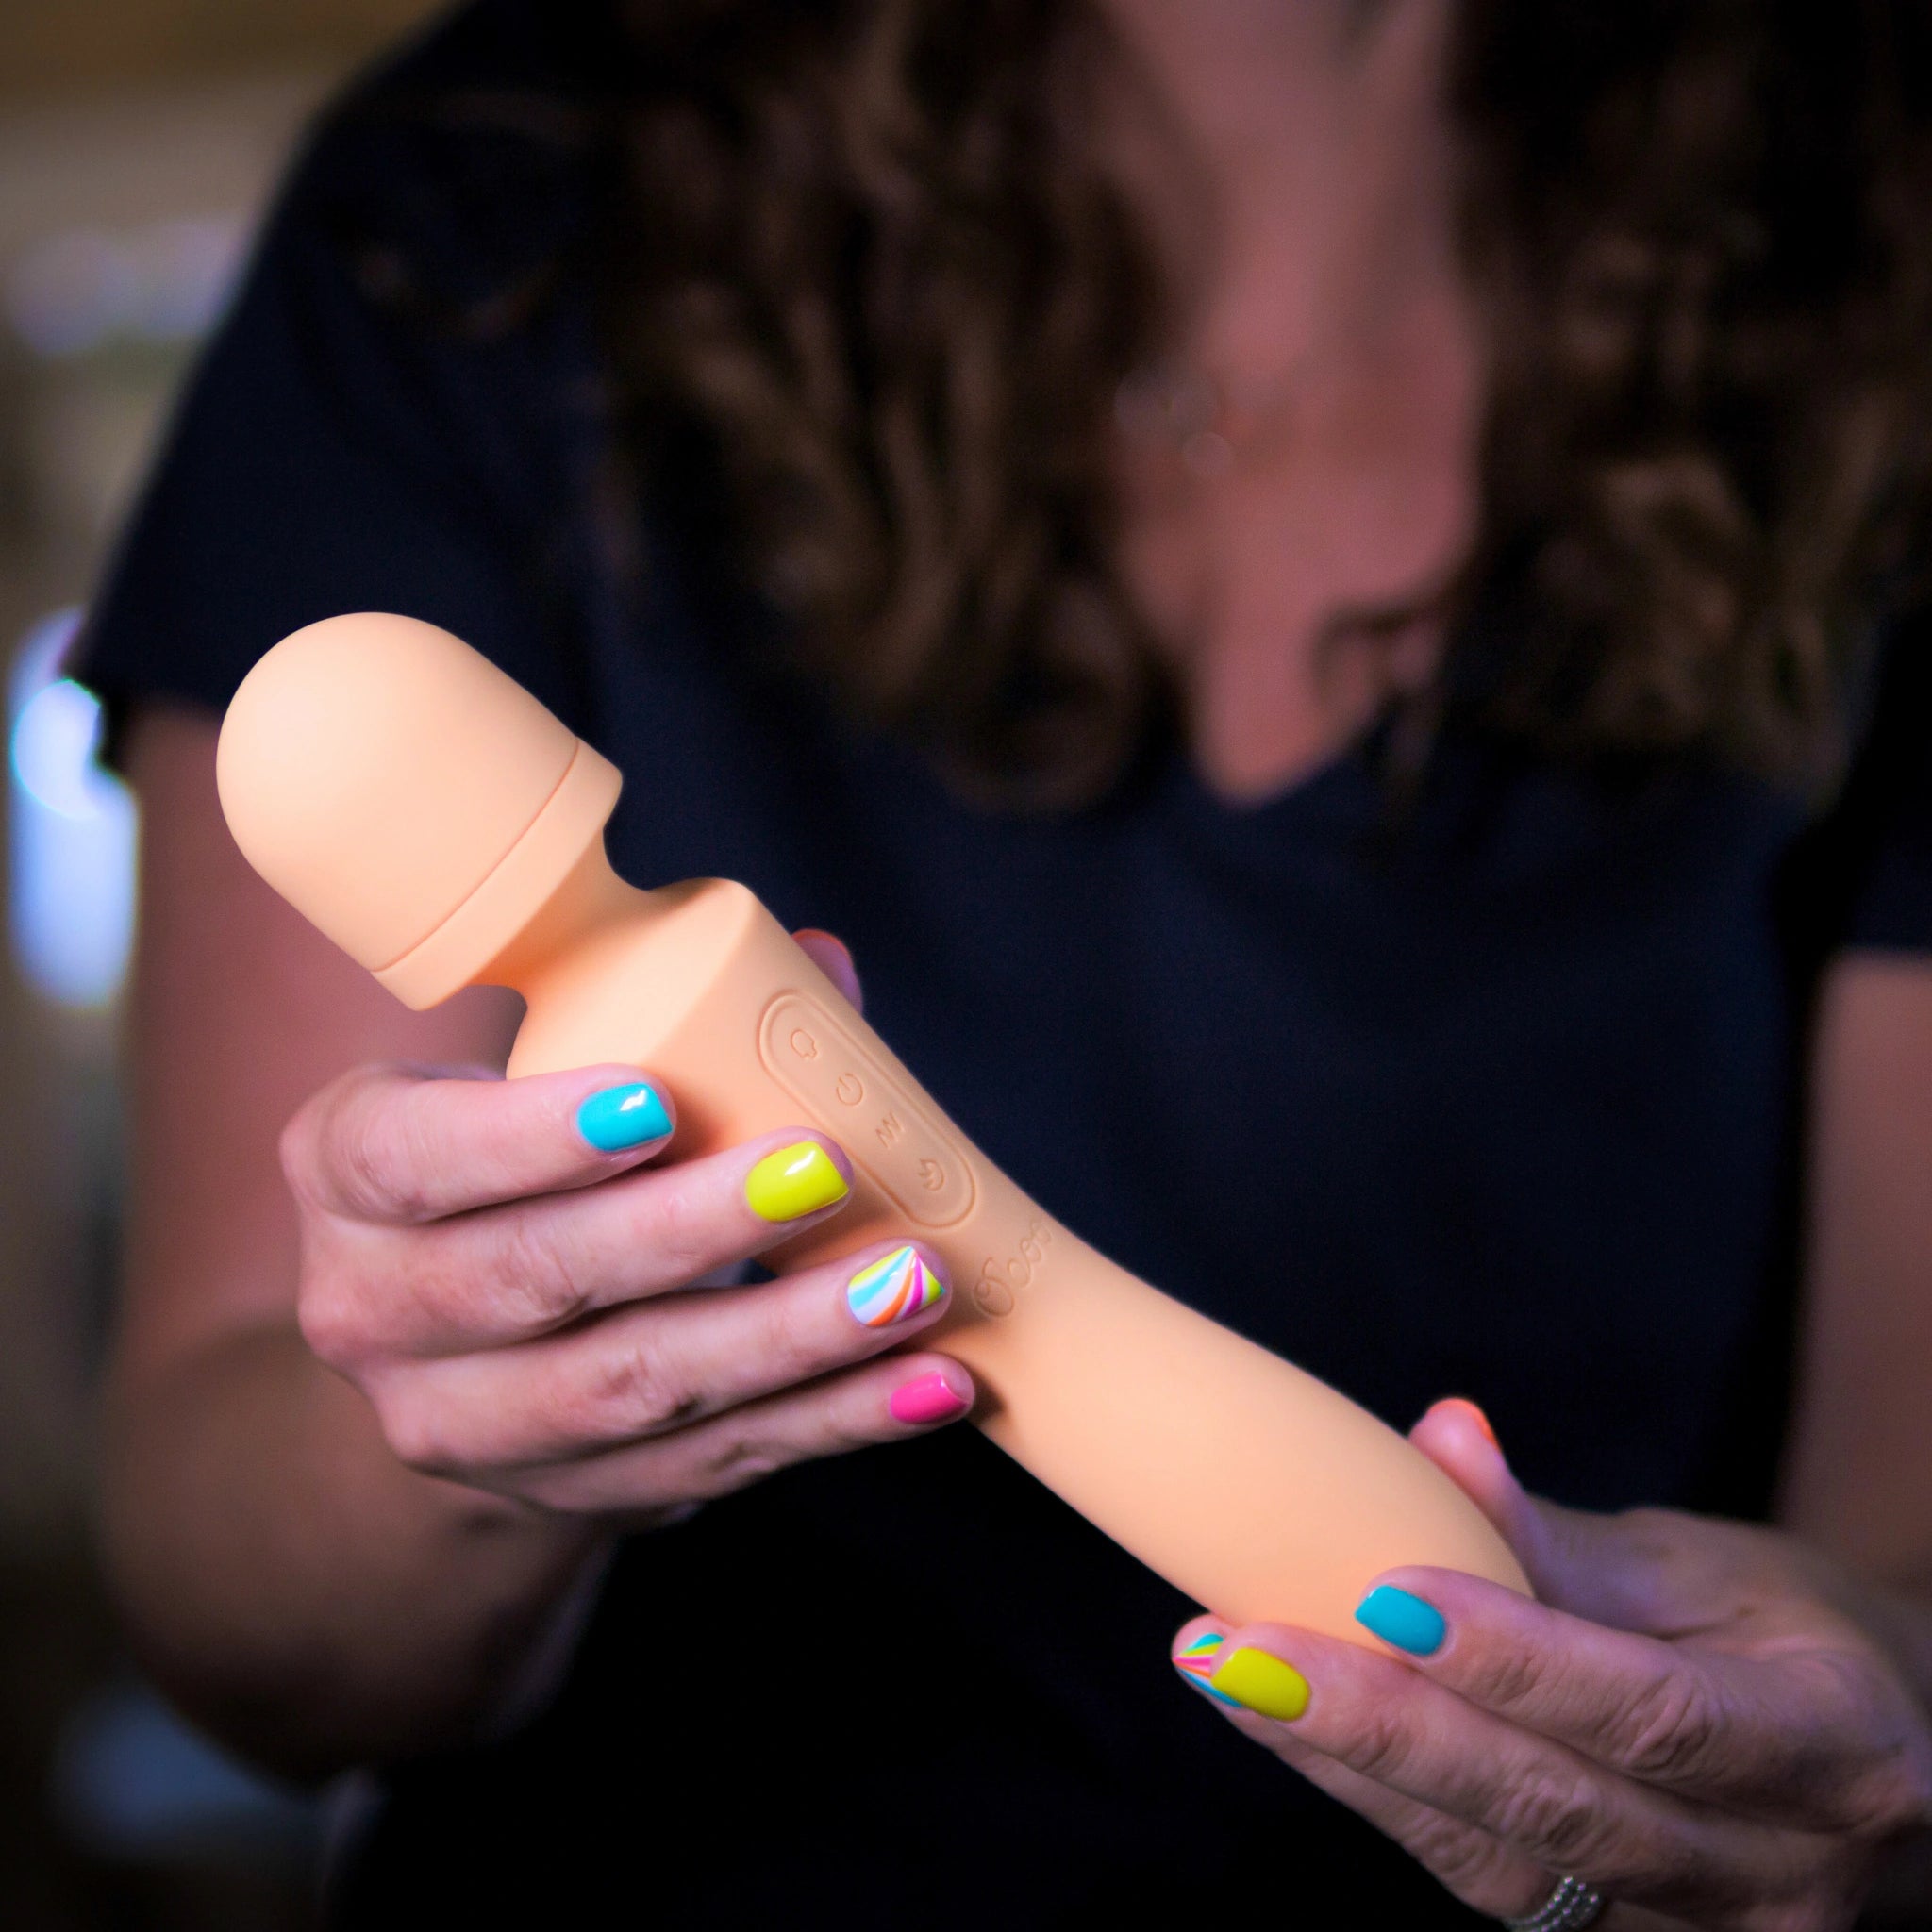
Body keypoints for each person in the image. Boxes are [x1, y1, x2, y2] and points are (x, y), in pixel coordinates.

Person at [78, 0, 1932, 1923]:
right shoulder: (479, 216)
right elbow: (243, 1639)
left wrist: (1858, 1746)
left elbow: (1900, 1578)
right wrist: (476, 1436)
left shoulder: (1881, 253)